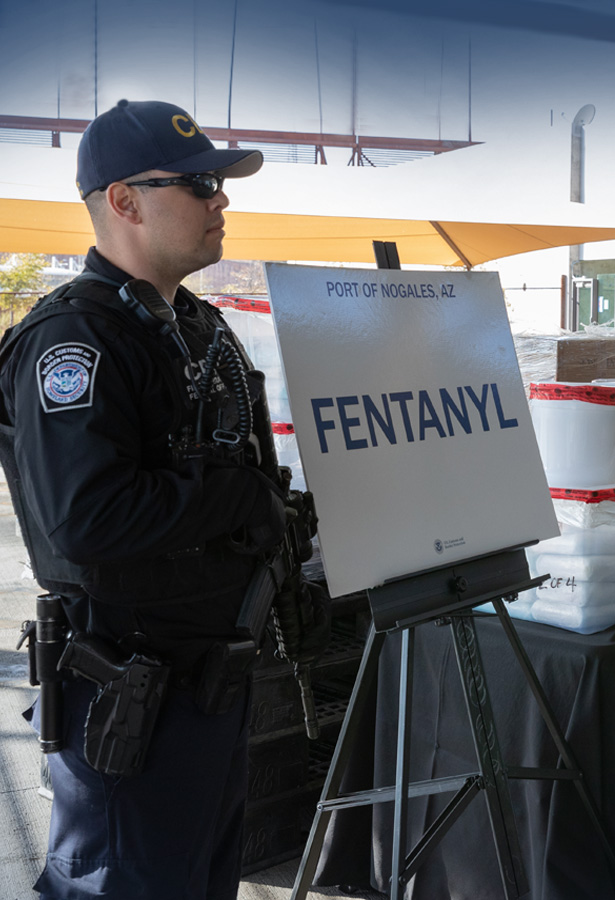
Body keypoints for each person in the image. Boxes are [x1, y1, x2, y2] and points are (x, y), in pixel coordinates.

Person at [0, 100, 321, 898]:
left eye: (219, 183)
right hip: (131, 702)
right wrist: (240, 499)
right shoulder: (74, 341)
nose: (222, 201)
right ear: (124, 201)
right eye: (200, 183)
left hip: (212, 689)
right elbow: (87, 520)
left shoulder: (198, 326)